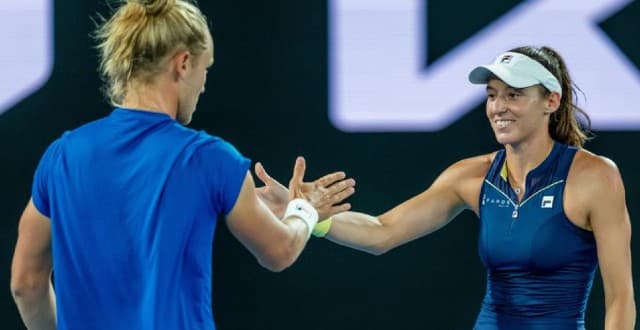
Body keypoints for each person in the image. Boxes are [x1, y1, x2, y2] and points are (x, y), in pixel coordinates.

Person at [9, 1, 355, 329]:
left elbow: (26, 284)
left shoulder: (62, 156)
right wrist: (304, 210)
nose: (204, 85)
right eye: (206, 69)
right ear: (184, 63)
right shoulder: (210, 158)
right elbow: (279, 250)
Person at [255, 46, 635, 329]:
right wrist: (308, 214)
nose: (498, 107)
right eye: (491, 95)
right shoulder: (469, 177)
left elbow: (619, 298)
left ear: (550, 101)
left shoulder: (596, 177)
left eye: (514, 95)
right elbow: (382, 232)